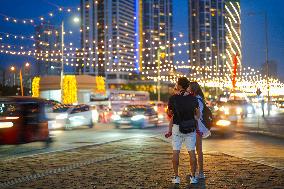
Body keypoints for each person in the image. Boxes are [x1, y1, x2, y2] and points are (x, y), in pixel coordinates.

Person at [165, 77, 200, 185]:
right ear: (187, 86)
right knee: (192, 153)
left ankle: (176, 177)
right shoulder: (194, 99)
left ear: (179, 86)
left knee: (176, 152)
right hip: (190, 128)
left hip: (177, 127)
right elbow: (197, 115)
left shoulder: (173, 98)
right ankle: (193, 177)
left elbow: (170, 113)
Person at [188, 81, 210, 180]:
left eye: (189, 87)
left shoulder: (196, 99)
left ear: (192, 89)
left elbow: (198, 115)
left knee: (197, 150)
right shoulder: (199, 99)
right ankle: (195, 171)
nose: (187, 89)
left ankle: (199, 172)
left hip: (197, 126)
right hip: (196, 126)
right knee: (195, 150)